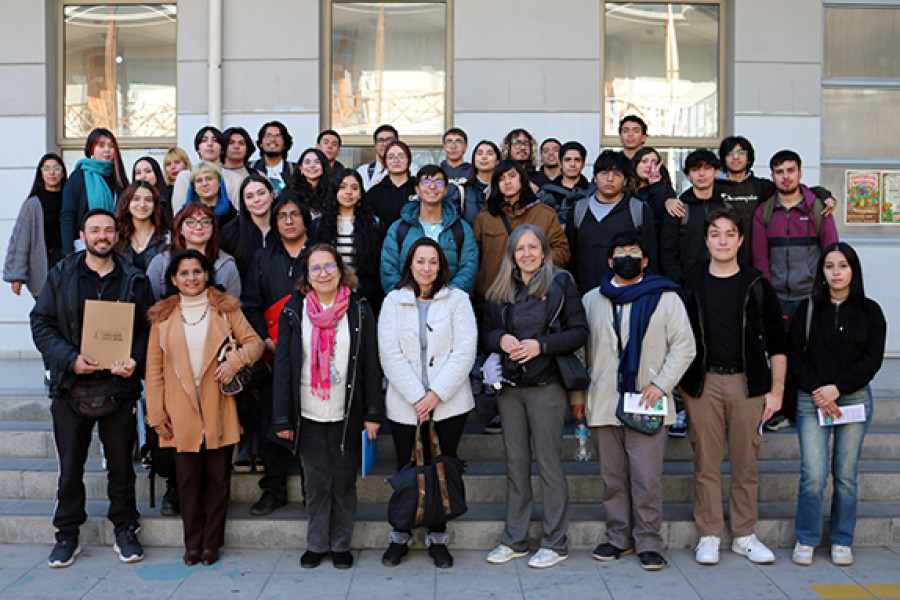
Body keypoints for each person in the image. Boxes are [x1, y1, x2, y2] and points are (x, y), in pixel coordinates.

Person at [30, 208, 154, 568]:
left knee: (121, 466)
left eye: (108, 230)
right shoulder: (61, 274)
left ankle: (125, 530)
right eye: (95, 230)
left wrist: (133, 357)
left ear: (118, 235)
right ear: (82, 236)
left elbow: (148, 329)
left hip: (118, 386)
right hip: (71, 387)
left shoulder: (135, 279)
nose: (102, 236)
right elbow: (41, 323)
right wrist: (69, 358)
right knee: (70, 467)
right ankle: (67, 535)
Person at [571, 232, 695, 571]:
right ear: (610, 261)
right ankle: (618, 538)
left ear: (645, 260)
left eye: (634, 251)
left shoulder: (666, 297)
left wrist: (661, 384)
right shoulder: (592, 299)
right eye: (621, 252)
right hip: (605, 401)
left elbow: (685, 346)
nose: (628, 256)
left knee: (646, 477)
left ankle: (649, 541)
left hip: (647, 401)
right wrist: (579, 397)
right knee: (613, 478)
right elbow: (580, 354)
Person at [679, 208, 787, 566]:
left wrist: (777, 391)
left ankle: (744, 534)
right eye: (715, 234)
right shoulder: (691, 282)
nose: (722, 240)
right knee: (706, 463)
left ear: (741, 240)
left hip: (748, 384)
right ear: (707, 240)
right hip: (703, 383)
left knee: (745, 465)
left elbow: (778, 342)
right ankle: (709, 534)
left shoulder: (756, 284)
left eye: (729, 234)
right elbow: (677, 337)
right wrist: (682, 387)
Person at [145, 249, 264, 567]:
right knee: (187, 481)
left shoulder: (225, 309)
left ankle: (212, 543)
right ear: (173, 279)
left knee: (217, 480)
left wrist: (234, 362)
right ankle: (192, 543)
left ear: (207, 274)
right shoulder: (162, 317)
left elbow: (254, 343)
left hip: (219, 405)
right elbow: (153, 371)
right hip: (178, 412)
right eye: (183, 273)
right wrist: (156, 415)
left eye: (197, 271)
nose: (191, 278)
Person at [481, 225, 588, 569]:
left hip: (547, 387)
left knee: (549, 464)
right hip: (510, 390)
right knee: (515, 465)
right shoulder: (500, 287)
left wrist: (540, 345)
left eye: (532, 247)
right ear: (512, 254)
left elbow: (579, 332)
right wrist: (500, 340)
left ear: (543, 251)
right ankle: (515, 539)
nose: (526, 254)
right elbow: (485, 332)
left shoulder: (561, 283)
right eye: (519, 248)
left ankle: (555, 542)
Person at [272, 244, 384, 570]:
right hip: (307, 411)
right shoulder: (294, 311)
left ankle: (340, 544)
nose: (323, 274)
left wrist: (373, 415)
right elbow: (283, 367)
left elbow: (370, 366)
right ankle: (317, 542)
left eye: (329, 266)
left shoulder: (360, 309)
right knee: (316, 481)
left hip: (347, 410)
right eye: (315, 268)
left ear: (340, 269)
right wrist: (282, 416)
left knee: (344, 480)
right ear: (307, 276)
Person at [378, 238, 477, 569]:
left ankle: (438, 536)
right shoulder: (393, 301)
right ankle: (400, 534)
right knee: (406, 469)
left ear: (441, 266)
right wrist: (417, 397)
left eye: (432, 261)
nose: (426, 268)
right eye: (420, 261)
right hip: (405, 405)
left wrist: (435, 394)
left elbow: (465, 349)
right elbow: (388, 352)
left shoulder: (458, 300)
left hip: (448, 404)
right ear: (410, 264)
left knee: (441, 468)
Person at [788, 242, 886, 567]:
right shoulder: (809, 309)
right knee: (813, 473)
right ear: (822, 272)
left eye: (842, 266)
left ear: (853, 270)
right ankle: (807, 538)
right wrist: (819, 390)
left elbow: (872, 360)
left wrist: (838, 388)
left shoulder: (871, 312)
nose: (836, 273)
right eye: (829, 266)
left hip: (854, 400)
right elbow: (796, 356)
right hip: (811, 400)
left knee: (845, 474)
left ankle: (842, 539)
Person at [752, 150, 839, 432]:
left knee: (813, 352)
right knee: (780, 354)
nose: (785, 176)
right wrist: (767, 294)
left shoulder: (817, 208)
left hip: (810, 297)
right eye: (779, 171)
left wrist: (826, 292)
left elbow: (831, 251)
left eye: (790, 170)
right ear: (773, 175)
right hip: (778, 297)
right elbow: (760, 257)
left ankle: (813, 406)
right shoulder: (764, 211)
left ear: (800, 173)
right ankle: (783, 410)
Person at [241, 194, 312, 516]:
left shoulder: (321, 256)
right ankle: (274, 487)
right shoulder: (262, 258)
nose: (288, 220)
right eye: (282, 215)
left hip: (316, 355)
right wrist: (265, 341)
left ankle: (315, 487)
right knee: (272, 420)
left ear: (304, 219)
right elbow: (251, 305)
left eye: (294, 214)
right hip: (273, 354)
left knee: (314, 422)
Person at [473, 160, 569, 312]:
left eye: (512, 176)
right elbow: (473, 256)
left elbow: (562, 252)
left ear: (522, 179)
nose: (507, 182)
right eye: (501, 179)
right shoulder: (485, 217)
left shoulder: (545, 214)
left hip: (534, 297)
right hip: (493, 298)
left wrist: (536, 263)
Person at [565, 150, 657, 296]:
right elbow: (569, 256)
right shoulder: (579, 209)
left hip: (627, 293)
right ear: (594, 178)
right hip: (584, 294)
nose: (610, 179)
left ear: (625, 180)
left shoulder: (638, 209)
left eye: (617, 174)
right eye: (604, 173)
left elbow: (651, 256)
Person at [380, 165, 479, 296]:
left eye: (438, 182)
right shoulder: (399, 228)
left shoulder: (461, 228)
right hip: (407, 304)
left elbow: (468, 268)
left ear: (445, 190)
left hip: (449, 305)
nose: (432, 187)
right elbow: (388, 268)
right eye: (426, 182)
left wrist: (449, 298)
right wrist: (406, 296)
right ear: (417, 190)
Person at [308, 168, 385, 314]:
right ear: (335, 191)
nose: (348, 192)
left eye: (354, 188)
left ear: (361, 194)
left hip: (364, 298)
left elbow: (377, 269)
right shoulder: (318, 225)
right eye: (342, 187)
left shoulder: (375, 225)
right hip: (327, 297)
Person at [146, 202, 241, 301]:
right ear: (180, 229)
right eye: (191, 222)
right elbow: (149, 301)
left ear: (213, 228)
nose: (199, 227)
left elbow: (233, 306)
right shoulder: (161, 261)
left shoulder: (226, 264)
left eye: (205, 221)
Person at [5, 153, 68, 298]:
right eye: (46, 168)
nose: (51, 172)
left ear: (63, 172)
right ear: (41, 173)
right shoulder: (32, 204)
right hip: (44, 263)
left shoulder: (70, 199)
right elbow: (21, 240)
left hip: (68, 260)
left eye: (56, 168)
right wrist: (17, 276)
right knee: (46, 312)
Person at [660, 149, 726, 287]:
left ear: (716, 172)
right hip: (688, 283)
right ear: (688, 175)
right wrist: (680, 279)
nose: (702, 174)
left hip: (724, 280)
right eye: (696, 169)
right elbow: (668, 251)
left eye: (707, 168)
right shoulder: (679, 208)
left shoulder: (726, 208)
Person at [61, 128, 129, 254]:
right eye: (101, 146)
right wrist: (68, 252)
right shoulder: (78, 177)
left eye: (111, 146)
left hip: (115, 247)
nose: (107, 150)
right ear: (91, 150)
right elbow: (68, 216)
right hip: (84, 248)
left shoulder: (119, 178)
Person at [220, 173, 277, 279]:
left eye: (261, 193)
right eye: (249, 196)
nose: (256, 199)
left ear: (272, 195)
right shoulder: (230, 233)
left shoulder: (284, 228)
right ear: (244, 203)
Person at [172, 126, 243, 210]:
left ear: (222, 148)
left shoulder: (234, 179)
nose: (210, 144)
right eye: (204, 140)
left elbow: (239, 213)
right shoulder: (185, 177)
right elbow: (178, 212)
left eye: (215, 140)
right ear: (198, 148)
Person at [114, 181, 170, 272]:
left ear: (155, 205)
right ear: (127, 204)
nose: (142, 204)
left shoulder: (167, 237)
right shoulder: (117, 236)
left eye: (148, 200)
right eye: (136, 199)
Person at [539, 141, 593, 224]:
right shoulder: (546, 193)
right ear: (560, 163)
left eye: (577, 160)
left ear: (583, 164)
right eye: (567, 160)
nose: (572, 164)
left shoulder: (593, 192)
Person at [368, 140, 417, 227]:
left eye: (401, 156)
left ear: (408, 160)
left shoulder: (419, 189)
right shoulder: (374, 193)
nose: (396, 160)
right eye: (391, 157)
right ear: (385, 162)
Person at [631, 147, 676, 234]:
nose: (649, 166)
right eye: (644, 161)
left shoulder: (665, 189)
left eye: (654, 162)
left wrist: (655, 184)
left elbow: (663, 215)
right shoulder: (626, 189)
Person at [185, 161, 238, 228]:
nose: (204, 184)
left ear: (219, 183)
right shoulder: (185, 215)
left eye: (209, 179)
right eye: (199, 180)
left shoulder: (233, 215)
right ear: (194, 187)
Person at [461, 140, 500, 226]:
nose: (484, 157)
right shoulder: (463, 191)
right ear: (474, 160)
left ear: (497, 161)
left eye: (490, 154)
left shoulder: (503, 190)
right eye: (479, 153)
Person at [284, 148, 332, 218]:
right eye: (307, 162)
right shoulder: (291, 191)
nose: (312, 166)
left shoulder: (332, 191)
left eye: (317, 162)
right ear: (301, 168)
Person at [252, 121, 295, 194]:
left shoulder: (295, 170)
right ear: (260, 143)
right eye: (268, 135)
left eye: (278, 136)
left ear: (285, 144)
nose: (272, 140)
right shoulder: (250, 169)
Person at [132, 155, 173, 226]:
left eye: (148, 171)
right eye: (138, 173)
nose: (143, 176)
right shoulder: (128, 199)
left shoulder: (170, 194)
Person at [358, 124, 397, 190]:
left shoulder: (411, 169)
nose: (385, 144)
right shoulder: (364, 171)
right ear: (375, 144)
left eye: (389, 139)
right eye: (380, 140)